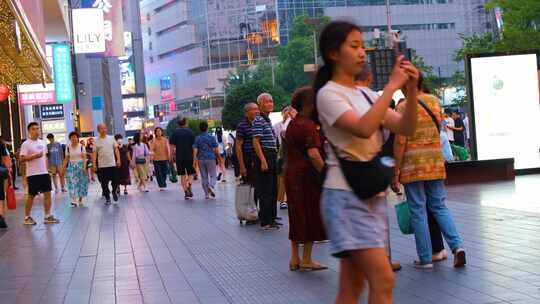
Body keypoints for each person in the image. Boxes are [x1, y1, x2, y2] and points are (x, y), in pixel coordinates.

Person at [315, 21, 420, 303]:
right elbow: (362, 127)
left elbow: (407, 128)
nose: (362, 52)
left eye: (363, 45)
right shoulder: (329, 94)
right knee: (383, 279)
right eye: (354, 46)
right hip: (346, 197)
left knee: (351, 288)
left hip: (367, 195)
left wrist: (410, 91)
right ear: (333, 53)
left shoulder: (365, 94)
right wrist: (391, 87)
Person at [393, 79, 467, 269]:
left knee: (418, 211)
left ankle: (426, 258)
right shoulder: (434, 101)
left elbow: (401, 141)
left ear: (404, 85)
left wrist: (396, 170)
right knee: (439, 207)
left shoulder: (403, 106)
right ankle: (457, 247)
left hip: (413, 165)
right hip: (435, 162)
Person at [285, 87, 328, 272]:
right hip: (306, 176)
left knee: (296, 215)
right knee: (309, 214)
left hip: (291, 173)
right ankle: (307, 259)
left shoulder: (293, 124)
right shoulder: (308, 125)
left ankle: (294, 258)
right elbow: (313, 154)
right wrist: (326, 174)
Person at [19, 122, 60, 225]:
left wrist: (48, 169)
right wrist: (34, 156)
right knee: (31, 195)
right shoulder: (26, 144)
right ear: (29, 131)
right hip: (33, 174)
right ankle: (27, 217)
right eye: (33, 129)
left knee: (48, 194)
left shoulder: (42, 143)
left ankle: (47, 216)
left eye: (37, 129)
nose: (36, 131)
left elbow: (45, 157)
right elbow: (21, 158)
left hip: (44, 173)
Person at [253, 93, 281, 231]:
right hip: (265, 155)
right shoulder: (258, 120)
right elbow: (256, 142)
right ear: (260, 105)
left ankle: (271, 218)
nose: (270, 103)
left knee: (272, 189)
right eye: (267, 102)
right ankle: (265, 221)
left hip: (271, 155)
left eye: (271, 101)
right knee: (266, 190)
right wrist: (263, 160)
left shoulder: (267, 120)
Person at [274, 106, 297, 210]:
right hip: (282, 153)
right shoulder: (277, 126)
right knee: (282, 177)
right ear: (282, 113)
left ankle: (290, 198)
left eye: (290, 111)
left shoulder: (295, 124)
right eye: (286, 111)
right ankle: (283, 200)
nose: (288, 113)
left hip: (293, 154)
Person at [92, 123, 121, 205]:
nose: (103, 130)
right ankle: (108, 198)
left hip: (112, 164)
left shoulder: (111, 138)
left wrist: (118, 159)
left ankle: (114, 191)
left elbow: (116, 150)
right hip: (102, 166)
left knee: (116, 180)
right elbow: (94, 153)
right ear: (98, 130)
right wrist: (94, 164)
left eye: (105, 128)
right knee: (104, 183)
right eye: (101, 128)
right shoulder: (96, 141)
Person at [169, 117, 196, 200]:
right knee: (191, 173)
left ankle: (185, 192)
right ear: (185, 123)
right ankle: (189, 185)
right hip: (189, 156)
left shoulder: (175, 133)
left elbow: (172, 147)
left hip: (179, 157)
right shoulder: (190, 132)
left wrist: (171, 157)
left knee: (182, 175)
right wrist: (195, 158)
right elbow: (194, 147)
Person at [194, 121, 220, 199]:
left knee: (204, 177)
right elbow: (216, 149)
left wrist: (194, 159)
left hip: (201, 159)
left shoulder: (197, 138)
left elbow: (195, 150)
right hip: (211, 158)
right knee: (213, 174)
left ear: (200, 129)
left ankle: (206, 194)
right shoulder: (211, 137)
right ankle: (211, 186)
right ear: (207, 128)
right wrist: (219, 157)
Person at [62, 132, 89, 207]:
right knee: (71, 182)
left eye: (75, 137)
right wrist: (63, 168)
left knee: (81, 183)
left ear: (78, 138)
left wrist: (84, 167)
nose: (74, 138)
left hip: (80, 166)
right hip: (71, 166)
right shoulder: (68, 147)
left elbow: (84, 158)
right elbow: (66, 159)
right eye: (72, 137)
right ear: (70, 139)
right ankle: (74, 200)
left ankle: (80, 199)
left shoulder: (81, 146)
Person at [236, 103, 259, 186]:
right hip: (249, 158)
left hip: (259, 158)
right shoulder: (242, 126)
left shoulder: (260, 124)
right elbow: (238, 146)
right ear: (246, 113)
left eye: (257, 109)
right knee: (250, 185)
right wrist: (242, 166)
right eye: (253, 109)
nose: (257, 111)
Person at [0, 137, 11, 228]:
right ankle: (1, 216)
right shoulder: (1, 144)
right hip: (0, 172)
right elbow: (6, 159)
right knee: (1, 195)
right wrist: (8, 170)